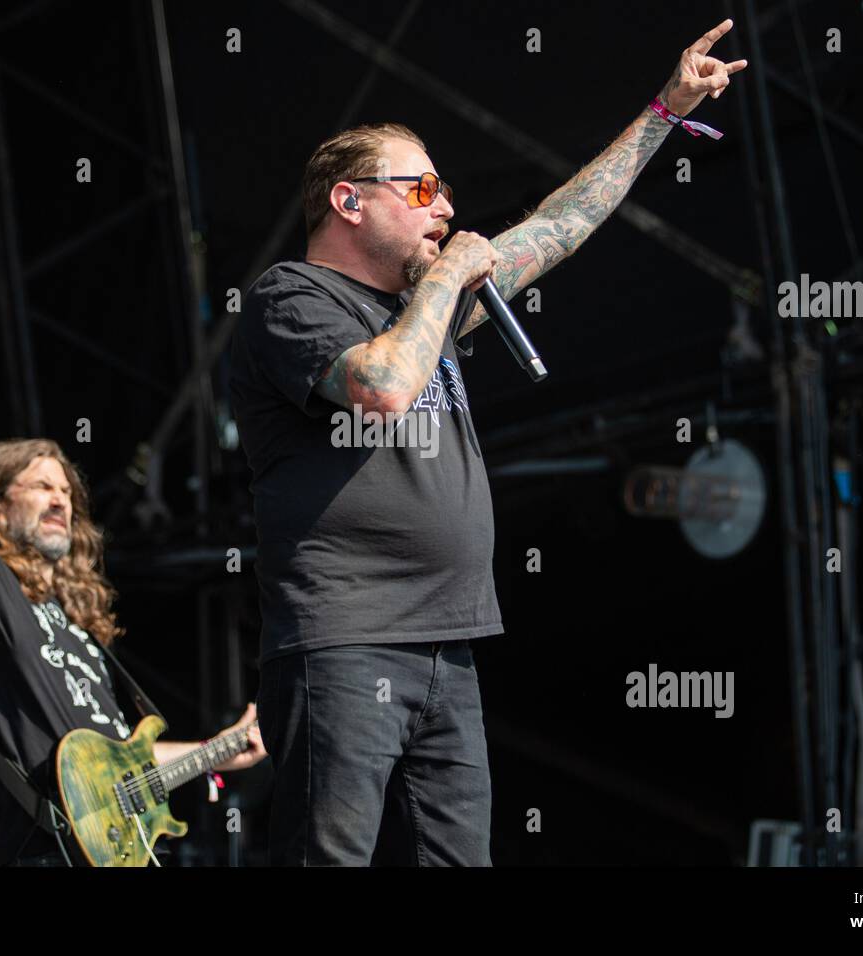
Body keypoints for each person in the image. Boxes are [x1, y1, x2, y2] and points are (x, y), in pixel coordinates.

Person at [229, 21, 747, 865]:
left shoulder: (429, 307)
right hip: (345, 637)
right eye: (423, 188)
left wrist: (666, 110)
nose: (448, 206)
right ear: (349, 201)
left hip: (449, 642)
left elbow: (564, 221)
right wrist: (444, 279)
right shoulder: (291, 296)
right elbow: (382, 387)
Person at [0, 419, 266, 865]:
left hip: (130, 851)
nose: (60, 500)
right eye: (43, 486)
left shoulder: (80, 626)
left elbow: (126, 763)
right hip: (54, 851)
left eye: (67, 492)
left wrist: (217, 751)